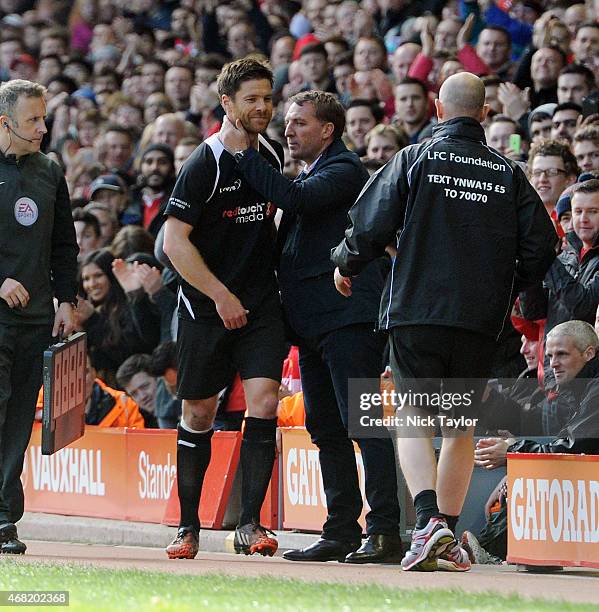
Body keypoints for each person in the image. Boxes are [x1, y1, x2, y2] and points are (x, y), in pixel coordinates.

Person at [331, 72, 557, 572]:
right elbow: (543, 246)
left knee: (412, 413)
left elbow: (368, 224)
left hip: (416, 309)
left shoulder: (414, 158)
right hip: (478, 319)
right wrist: (506, 282)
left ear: (437, 108)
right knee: (457, 427)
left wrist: (347, 264)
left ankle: (429, 519)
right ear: (483, 114)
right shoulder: (509, 172)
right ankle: (448, 538)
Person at [221, 90, 402, 564]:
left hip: (349, 320)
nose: (289, 129)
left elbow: (295, 200)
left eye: (300, 123)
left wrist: (241, 152)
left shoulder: (345, 170)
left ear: (328, 130)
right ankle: (340, 530)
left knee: (363, 426)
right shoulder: (313, 172)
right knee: (325, 429)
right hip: (315, 327)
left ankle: (384, 530)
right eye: (288, 122)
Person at [162, 58, 286, 560]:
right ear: (227, 104)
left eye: (268, 98)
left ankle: (251, 525)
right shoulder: (203, 164)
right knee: (198, 411)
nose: (262, 107)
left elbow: (269, 222)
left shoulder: (271, 156)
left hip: (259, 304)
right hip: (206, 306)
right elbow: (173, 242)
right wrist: (219, 293)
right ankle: (188, 527)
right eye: (251, 99)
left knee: (264, 403)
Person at [0, 79, 78, 554]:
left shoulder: (50, 172)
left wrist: (66, 299)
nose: (43, 128)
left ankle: (6, 519)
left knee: (15, 421)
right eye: (33, 120)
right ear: (5, 123)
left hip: (34, 319)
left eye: (44, 117)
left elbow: (64, 244)